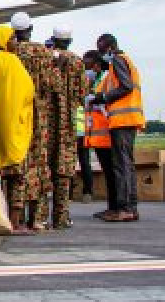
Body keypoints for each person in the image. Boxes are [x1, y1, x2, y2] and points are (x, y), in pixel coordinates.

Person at [8, 12, 61, 231]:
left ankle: (14, 218)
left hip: (16, 113)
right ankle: (37, 218)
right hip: (40, 115)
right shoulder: (43, 52)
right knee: (39, 165)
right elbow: (55, 84)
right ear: (30, 29)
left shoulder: (11, 51)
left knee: (18, 165)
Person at [0, 25, 36, 234]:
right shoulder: (13, 62)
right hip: (10, 127)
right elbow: (27, 92)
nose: (14, 43)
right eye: (12, 39)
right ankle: (14, 221)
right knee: (16, 176)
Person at [91, 33, 146, 222]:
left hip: (125, 120)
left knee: (122, 165)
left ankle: (126, 208)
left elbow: (126, 86)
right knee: (123, 165)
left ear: (109, 48)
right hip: (123, 120)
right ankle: (124, 207)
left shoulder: (119, 60)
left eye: (101, 50)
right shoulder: (121, 62)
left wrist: (104, 98)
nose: (101, 54)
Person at [48, 25, 85, 228]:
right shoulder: (77, 61)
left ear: (53, 39)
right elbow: (82, 93)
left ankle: (39, 217)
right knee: (64, 172)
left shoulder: (48, 59)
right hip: (69, 124)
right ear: (70, 41)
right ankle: (61, 218)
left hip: (48, 123)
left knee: (45, 169)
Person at [79, 50, 115, 211]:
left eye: (87, 66)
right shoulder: (96, 81)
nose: (85, 71)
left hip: (106, 132)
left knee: (110, 169)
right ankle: (112, 206)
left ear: (96, 65)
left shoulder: (105, 79)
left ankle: (114, 205)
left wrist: (96, 99)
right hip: (94, 132)